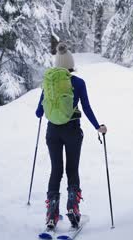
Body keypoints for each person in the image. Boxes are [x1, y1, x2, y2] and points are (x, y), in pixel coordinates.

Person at [35, 42, 107, 229]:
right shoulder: (78, 82)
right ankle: (73, 208)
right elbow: (87, 107)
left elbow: (38, 112)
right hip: (72, 130)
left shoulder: (49, 83)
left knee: (56, 170)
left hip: (53, 131)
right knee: (72, 169)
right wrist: (98, 126)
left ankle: (51, 213)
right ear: (71, 64)